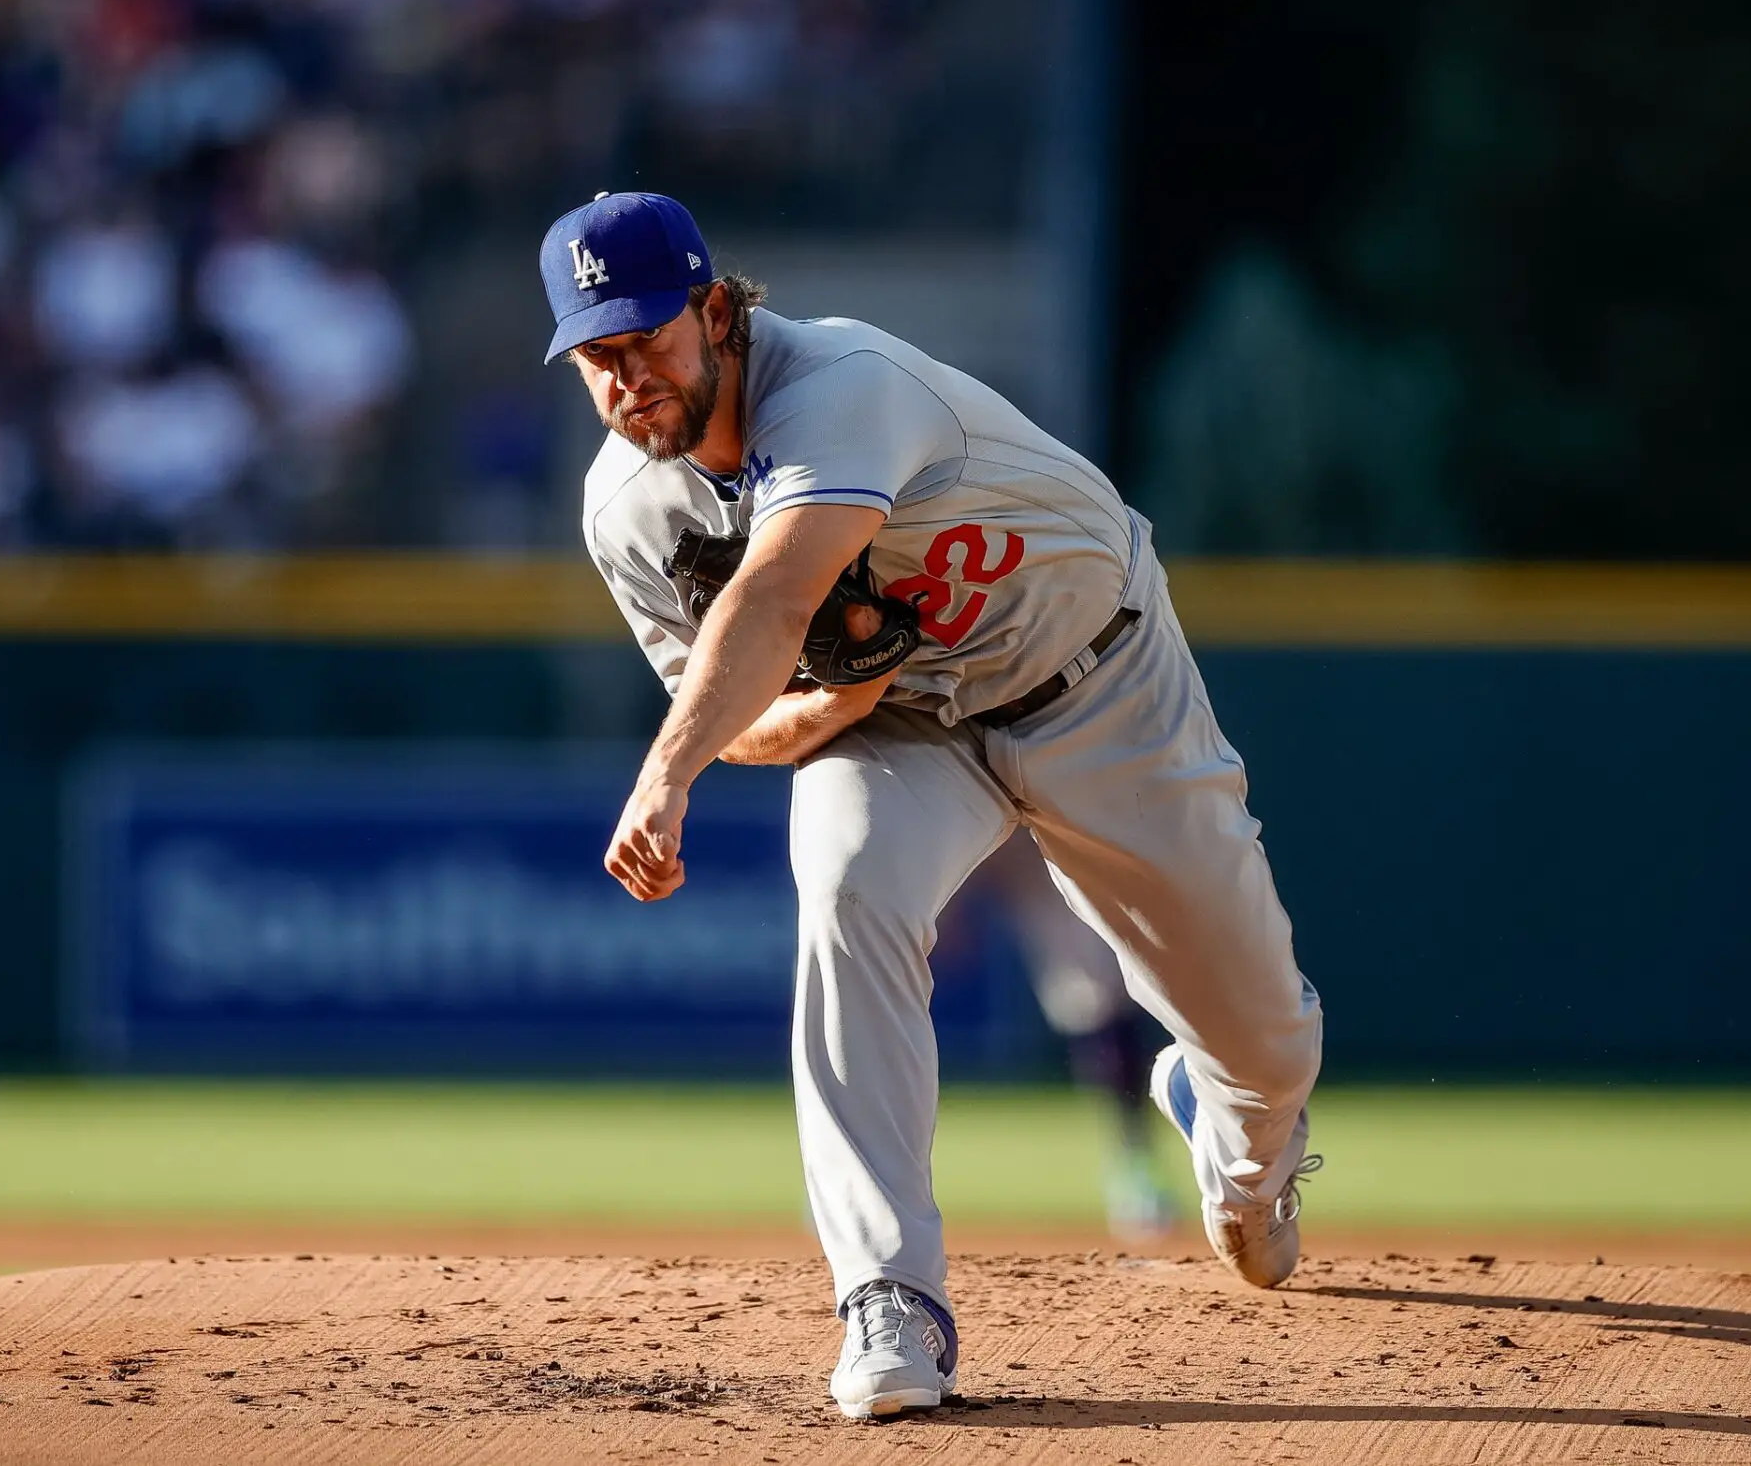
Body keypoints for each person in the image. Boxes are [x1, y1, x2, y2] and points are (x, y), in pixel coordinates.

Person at [548, 191, 1323, 1420]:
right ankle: (887, 1297)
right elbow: (738, 705)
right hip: (909, 726)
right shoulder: (628, 511)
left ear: (715, 310)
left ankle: (1237, 1142)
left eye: (646, 339)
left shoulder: (838, 380)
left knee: (1266, 1037)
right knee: (847, 888)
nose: (626, 378)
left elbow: (773, 599)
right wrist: (830, 714)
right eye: (597, 356)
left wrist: (661, 775)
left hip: (1094, 675)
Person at [962, 832, 1179, 1242]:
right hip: (1028, 848)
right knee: (1094, 1000)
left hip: (1087, 830)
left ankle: (1143, 1166)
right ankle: (1137, 1169)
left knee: (1116, 1000)